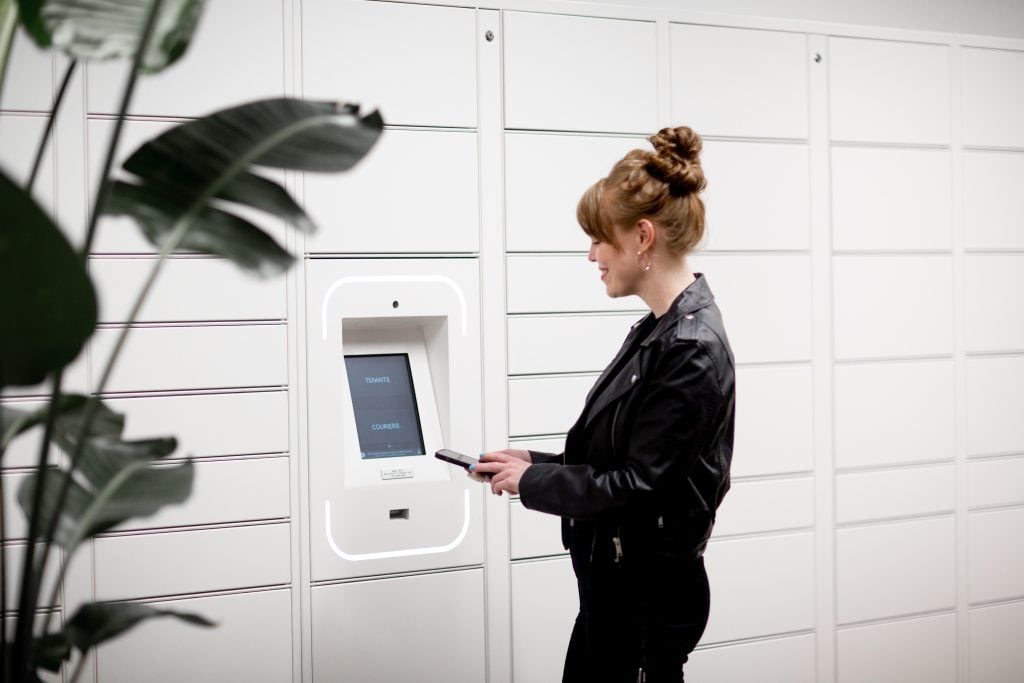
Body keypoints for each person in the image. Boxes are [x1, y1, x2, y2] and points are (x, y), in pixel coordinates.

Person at [473, 126, 735, 682]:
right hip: (616, 595)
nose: (591, 254)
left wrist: (534, 484)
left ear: (642, 237)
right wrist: (533, 464)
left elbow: (641, 489)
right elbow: (623, 461)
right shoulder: (660, 333)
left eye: (599, 238)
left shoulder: (689, 349)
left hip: (644, 607)